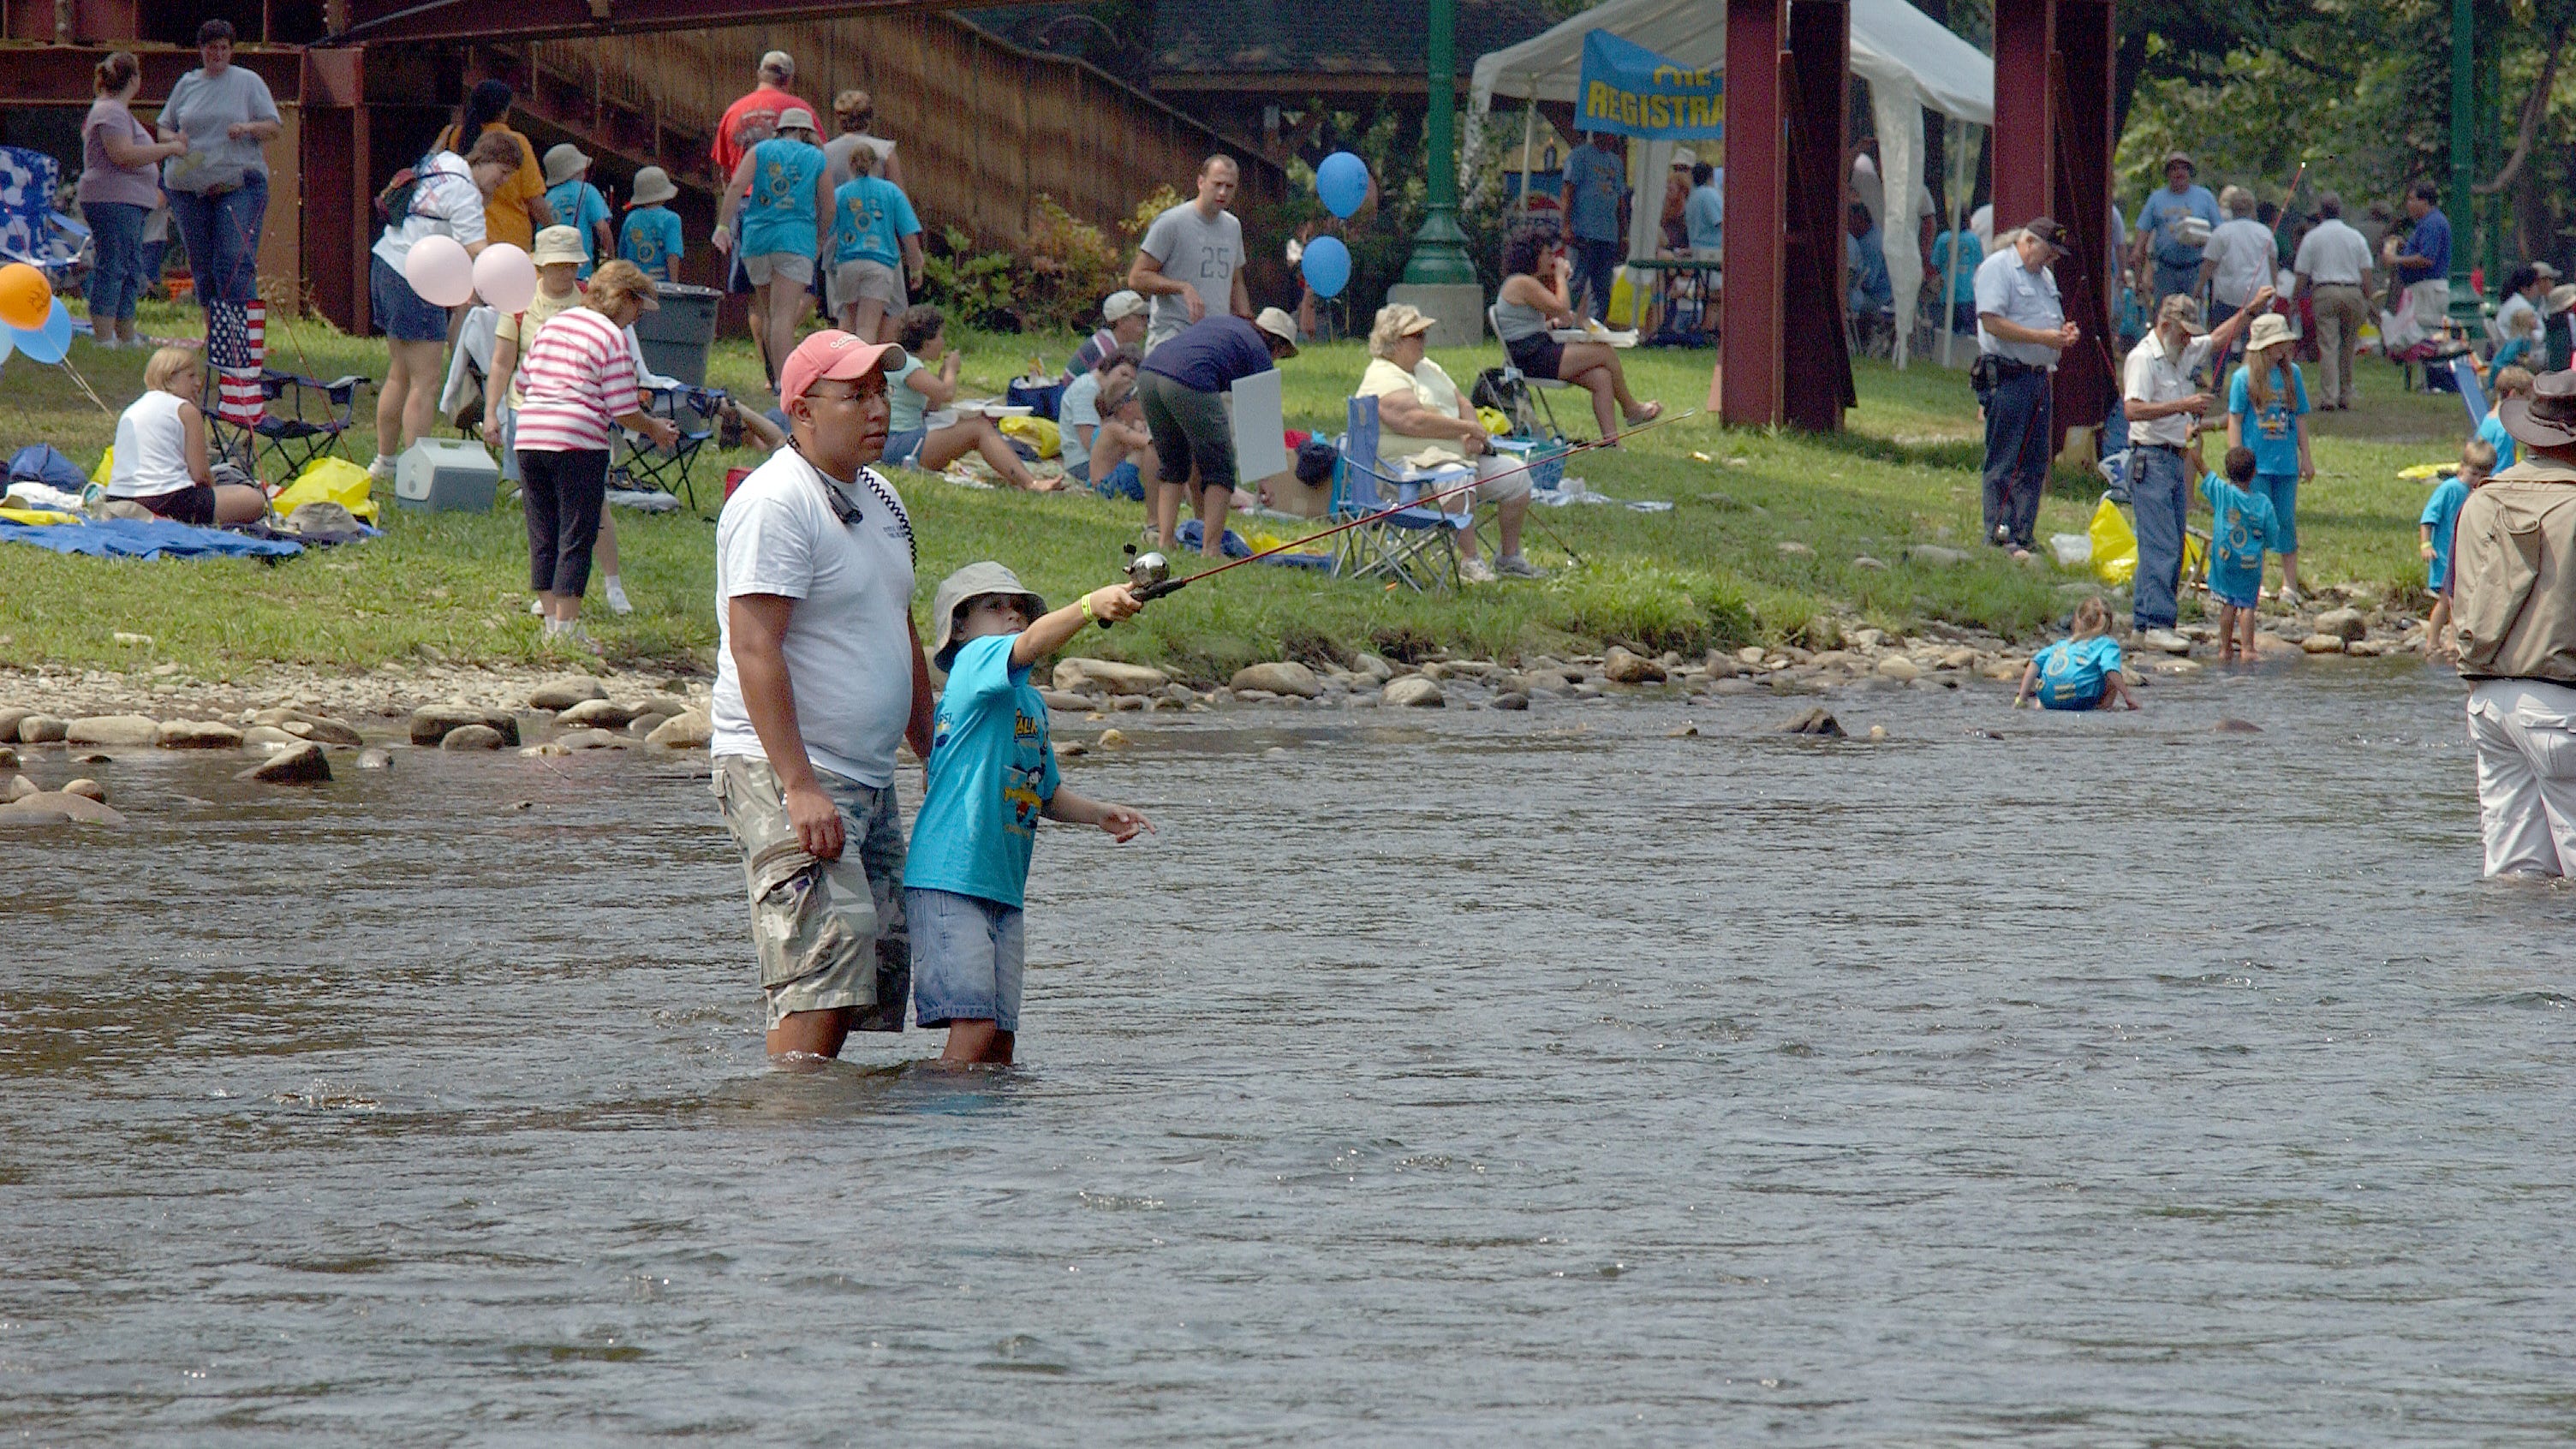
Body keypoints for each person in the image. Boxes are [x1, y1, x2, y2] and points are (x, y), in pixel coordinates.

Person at [711, 328, 933, 1056]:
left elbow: (898, 629)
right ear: (803, 410)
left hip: (870, 774)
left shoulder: (882, 495)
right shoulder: (776, 502)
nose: (878, 409)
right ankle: (792, 1149)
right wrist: (799, 785)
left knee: (864, 970)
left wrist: (933, 751)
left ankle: (828, 1148)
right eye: (855, 396)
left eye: (881, 392)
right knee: (822, 969)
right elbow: (754, 645)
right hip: (792, 771)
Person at [906, 563, 1154, 1066]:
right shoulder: (974, 664)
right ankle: (923, 1125)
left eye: (1017, 607)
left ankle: (984, 1140)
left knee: (999, 1044)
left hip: (1002, 889)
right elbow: (1031, 644)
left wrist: (1099, 814)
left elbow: (1044, 791)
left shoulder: (1032, 703)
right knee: (973, 1030)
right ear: (960, 628)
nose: (1012, 615)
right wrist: (1088, 606)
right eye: (994, 607)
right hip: (951, 878)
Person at [2443, 369, 2576, 875]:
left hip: (2491, 704)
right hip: (2562, 703)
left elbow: (2460, 596)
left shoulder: (2481, 499)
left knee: (2515, 880)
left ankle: (2507, 958)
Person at [510, 261, 679, 647]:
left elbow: (524, 381)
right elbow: (622, 408)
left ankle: (552, 624)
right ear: (625, 300)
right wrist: (654, 427)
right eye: (638, 309)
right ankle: (568, 631)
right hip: (578, 441)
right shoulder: (610, 336)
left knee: (543, 531)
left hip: (531, 436)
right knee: (576, 531)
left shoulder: (553, 324)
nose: (637, 319)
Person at [486, 227, 634, 616]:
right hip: (536, 413)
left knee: (589, 510)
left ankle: (610, 585)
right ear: (541, 266)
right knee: (551, 520)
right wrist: (492, 411)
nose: (565, 272)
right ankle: (556, 609)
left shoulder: (589, 302)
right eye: (557, 265)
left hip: (562, 418)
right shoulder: (521, 305)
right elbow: (505, 363)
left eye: (571, 264)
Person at [367, 131, 522, 485]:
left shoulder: (442, 162)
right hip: (417, 281)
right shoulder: (465, 193)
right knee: (426, 381)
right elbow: (479, 252)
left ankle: (385, 461)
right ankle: (414, 472)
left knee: (399, 373)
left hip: (387, 263)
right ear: (485, 161)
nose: (503, 182)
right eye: (502, 173)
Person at [1356, 301, 1542, 582]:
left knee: (1516, 477)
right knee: (1455, 476)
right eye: (1416, 336)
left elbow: (1462, 401)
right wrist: (1465, 428)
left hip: (1458, 457)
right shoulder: (1382, 375)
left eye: (1424, 334)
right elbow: (1413, 421)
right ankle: (1470, 561)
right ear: (1394, 341)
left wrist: (1473, 432)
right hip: (1404, 471)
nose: (1424, 341)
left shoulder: (1427, 366)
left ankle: (1509, 557)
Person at [2121, 289, 2270, 636]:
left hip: (2175, 458)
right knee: (2162, 545)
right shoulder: (2143, 358)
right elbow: (2133, 409)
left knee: (2171, 540)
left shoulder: (2183, 350)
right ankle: (2157, 623)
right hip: (2150, 458)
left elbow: (2217, 339)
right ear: (2165, 324)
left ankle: (2147, 623)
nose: (2190, 339)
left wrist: (2249, 310)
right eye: (2184, 331)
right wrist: (2182, 404)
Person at [1136, 307, 1300, 557]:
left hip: (1149, 373)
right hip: (1188, 379)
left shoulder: (1226, 324)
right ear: (1278, 346)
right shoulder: (1259, 352)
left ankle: (1165, 540)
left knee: (1173, 464)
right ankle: (1211, 549)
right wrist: (1264, 480)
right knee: (1220, 469)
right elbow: (1259, 423)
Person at [155, 21, 280, 319]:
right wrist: (175, 139)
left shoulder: (248, 82)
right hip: (189, 188)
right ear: (202, 50)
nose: (218, 54)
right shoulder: (187, 84)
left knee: (233, 262)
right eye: (212, 48)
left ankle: (242, 337)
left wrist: (248, 128)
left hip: (238, 183)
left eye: (224, 48)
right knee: (203, 266)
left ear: (231, 51)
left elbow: (274, 127)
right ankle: (216, 337)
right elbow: (163, 128)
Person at [1974, 216, 2082, 558]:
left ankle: (2023, 530)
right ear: (2029, 242)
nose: (2051, 262)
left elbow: (2046, 318)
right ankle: (1999, 529)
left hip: (2038, 375)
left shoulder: (2044, 277)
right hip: (2008, 374)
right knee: (2005, 456)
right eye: (2049, 253)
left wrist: (2063, 335)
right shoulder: (1999, 269)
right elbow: (1992, 323)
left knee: (2035, 460)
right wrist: (2041, 337)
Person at [1493, 223, 1662, 441]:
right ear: (1533, 255)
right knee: (1604, 352)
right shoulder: (1522, 282)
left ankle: (1611, 442)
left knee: (1601, 377)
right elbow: (1561, 306)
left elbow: (1530, 323)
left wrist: (1552, 324)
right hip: (1530, 357)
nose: (1552, 259)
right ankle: (1631, 408)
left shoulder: (1524, 283)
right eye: (1547, 253)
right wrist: (1561, 278)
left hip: (1534, 349)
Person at [881, 305, 1058, 491]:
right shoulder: (909, 365)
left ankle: (1024, 478)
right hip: (899, 444)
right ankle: (1031, 483)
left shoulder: (907, 363)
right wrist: (951, 370)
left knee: (969, 425)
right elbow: (947, 394)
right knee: (979, 428)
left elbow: (930, 409)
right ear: (927, 342)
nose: (943, 342)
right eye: (940, 336)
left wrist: (942, 377)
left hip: (901, 441)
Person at [715, 105, 828, 390]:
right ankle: (786, 383)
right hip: (795, 240)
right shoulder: (815, 157)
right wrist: (820, 240)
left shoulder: (760, 151)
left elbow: (737, 184)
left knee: (769, 313)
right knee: (783, 317)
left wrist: (723, 226)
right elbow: (829, 206)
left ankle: (774, 376)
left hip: (756, 240)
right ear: (805, 132)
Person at [78, 52, 185, 350]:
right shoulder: (110, 112)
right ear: (134, 80)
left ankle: (125, 333)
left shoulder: (117, 112)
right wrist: (168, 149)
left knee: (129, 263)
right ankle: (103, 336)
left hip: (128, 201)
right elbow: (122, 154)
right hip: (113, 199)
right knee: (113, 264)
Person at [106, 347, 269, 526]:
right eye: (191, 376)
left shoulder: (132, 409)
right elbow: (201, 476)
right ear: (170, 377)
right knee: (254, 500)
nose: (198, 383)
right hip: (166, 501)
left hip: (117, 499)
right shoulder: (184, 410)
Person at [2226, 312, 2315, 604]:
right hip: (2257, 466)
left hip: (2286, 464)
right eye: (2277, 344)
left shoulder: (2293, 375)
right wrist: (2236, 460)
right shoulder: (2244, 378)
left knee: (2286, 520)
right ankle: (2257, 581)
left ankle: (2290, 583)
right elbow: (2236, 420)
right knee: (2255, 522)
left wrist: (2307, 457)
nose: (2282, 349)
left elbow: (2300, 417)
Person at [1130, 156, 1249, 351]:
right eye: (1217, 184)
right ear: (1201, 182)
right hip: (1173, 334)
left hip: (1213, 336)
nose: (1222, 192)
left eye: (1230, 187)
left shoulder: (1232, 226)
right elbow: (1137, 278)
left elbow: (1236, 281)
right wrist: (1182, 287)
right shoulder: (1172, 222)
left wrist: (1247, 323)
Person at [433, 79, 552, 253]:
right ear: (504, 112)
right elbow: (534, 199)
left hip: (465, 238)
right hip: (509, 242)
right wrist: (553, 227)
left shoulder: (452, 135)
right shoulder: (516, 143)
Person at [825, 143, 922, 344]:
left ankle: (844, 370)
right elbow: (908, 233)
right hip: (879, 265)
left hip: (847, 264)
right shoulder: (891, 192)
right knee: (867, 328)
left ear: (850, 166)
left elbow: (826, 227)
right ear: (876, 165)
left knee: (849, 326)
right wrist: (915, 267)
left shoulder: (841, 193)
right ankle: (864, 374)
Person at [2292, 192, 2375, 410]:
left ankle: (2329, 396)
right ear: (2340, 211)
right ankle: (2345, 393)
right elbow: (2366, 271)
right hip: (2352, 291)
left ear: (2320, 213)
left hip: (2325, 291)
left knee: (2328, 345)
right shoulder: (2355, 237)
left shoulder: (2313, 237)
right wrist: (2369, 297)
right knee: (2348, 345)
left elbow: (2302, 273)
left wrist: (2294, 299)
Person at [2203, 445, 2282, 664]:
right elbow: (2273, 532)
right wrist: (2266, 544)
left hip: (2225, 562)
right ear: (2254, 472)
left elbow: (2201, 466)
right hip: (2251, 563)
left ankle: (2225, 648)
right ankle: (2247, 648)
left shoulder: (2222, 492)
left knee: (2228, 604)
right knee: (2247, 605)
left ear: (2227, 472)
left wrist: (2194, 439)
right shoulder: (2263, 503)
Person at [2421, 438, 2494, 664]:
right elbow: (2428, 518)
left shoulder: (2480, 493)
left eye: (2483, 476)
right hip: (2444, 555)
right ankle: (2433, 641)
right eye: (2473, 474)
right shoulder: (2450, 489)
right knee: (2446, 600)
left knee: (2459, 600)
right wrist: (2426, 544)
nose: (2477, 480)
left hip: (2464, 556)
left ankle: (2453, 641)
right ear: (2461, 468)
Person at [2014, 597, 2136, 710]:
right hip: (2080, 695)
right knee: (2111, 679)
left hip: (2047, 695)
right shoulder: (2107, 644)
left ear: (2077, 621)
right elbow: (2110, 669)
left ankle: (2042, 704)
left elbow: (2034, 664)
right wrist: (2128, 697)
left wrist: (2022, 698)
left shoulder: (2063, 644)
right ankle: (2102, 708)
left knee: (2048, 676)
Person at [1058, 344, 1147, 498]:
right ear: (1110, 366)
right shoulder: (1087, 387)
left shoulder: (1115, 416)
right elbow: (1089, 442)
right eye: (1123, 373)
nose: (1126, 380)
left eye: (1133, 379)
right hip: (1081, 463)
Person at [2132, 152, 2218, 306]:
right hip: (2166, 269)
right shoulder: (2156, 199)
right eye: (2174, 169)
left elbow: (2219, 233)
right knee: (2165, 313)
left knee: (2193, 314)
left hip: (2195, 268)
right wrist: (2138, 255)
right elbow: (2143, 233)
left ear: (2190, 173)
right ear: (2168, 174)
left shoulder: (2205, 197)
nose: (2179, 173)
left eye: (2184, 169)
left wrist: (2205, 242)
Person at [1558, 130, 1627, 322]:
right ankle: (1564, 325)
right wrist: (1566, 225)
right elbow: (1567, 191)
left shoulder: (1616, 162)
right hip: (1583, 232)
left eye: (1613, 135)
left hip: (1608, 235)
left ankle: (1595, 330)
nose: (1610, 138)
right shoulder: (1579, 156)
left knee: (1602, 289)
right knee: (1576, 283)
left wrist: (1623, 234)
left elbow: (1620, 200)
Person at [2382, 180, 2454, 353]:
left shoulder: (2433, 223)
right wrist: (2405, 246)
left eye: (2413, 200)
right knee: (2421, 330)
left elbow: (2427, 258)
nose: (2409, 204)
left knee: (2426, 331)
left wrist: (2396, 260)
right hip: (2421, 288)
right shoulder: (2425, 223)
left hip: (2429, 288)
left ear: (2425, 201)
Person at [712, 50, 802, 181]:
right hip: (785, 195)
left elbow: (725, 171)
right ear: (789, 80)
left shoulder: (732, 112)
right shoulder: (801, 110)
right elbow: (820, 157)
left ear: (759, 75)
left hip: (744, 197)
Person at [2198, 187, 2275, 332]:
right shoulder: (2265, 233)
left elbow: (2208, 267)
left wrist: (2199, 289)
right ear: (2253, 209)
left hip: (2227, 299)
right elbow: (2273, 267)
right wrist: (2273, 293)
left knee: (2223, 341)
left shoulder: (2221, 233)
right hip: (2258, 298)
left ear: (2232, 209)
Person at [541, 144, 613, 279]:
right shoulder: (587, 190)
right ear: (576, 170)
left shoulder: (548, 198)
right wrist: (611, 260)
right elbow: (603, 229)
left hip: (551, 273)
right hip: (580, 272)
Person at [820, 87, 904, 192]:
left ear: (839, 122)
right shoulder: (885, 151)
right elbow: (899, 196)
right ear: (869, 119)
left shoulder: (824, 152)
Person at [1062, 290, 1149, 383]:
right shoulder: (1105, 353)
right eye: (1141, 317)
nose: (1146, 322)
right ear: (1122, 322)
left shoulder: (1108, 342)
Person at [617, 165, 684, 283]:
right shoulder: (672, 219)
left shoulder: (631, 218)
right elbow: (673, 255)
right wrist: (674, 285)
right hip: (660, 285)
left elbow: (622, 253)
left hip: (633, 283)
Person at [1929, 218, 1982, 334]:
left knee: (1946, 332)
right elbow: (1979, 264)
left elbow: (1935, 264)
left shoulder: (1943, 239)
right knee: (1969, 334)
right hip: (1968, 294)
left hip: (1946, 293)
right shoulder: (1974, 239)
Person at [1845, 202, 1893, 328]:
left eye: (1850, 220)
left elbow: (1869, 283)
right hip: (1882, 294)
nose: (1848, 225)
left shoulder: (1871, 244)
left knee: (1850, 299)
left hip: (1879, 298)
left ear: (1860, 220)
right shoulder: (1873, 232)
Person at [2478, 365, 2531, 472]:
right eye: (2527, 398)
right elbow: (2502, 472)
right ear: (2514, 394)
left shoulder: (2488, 419)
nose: (2529, 405)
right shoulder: (2505, 430)